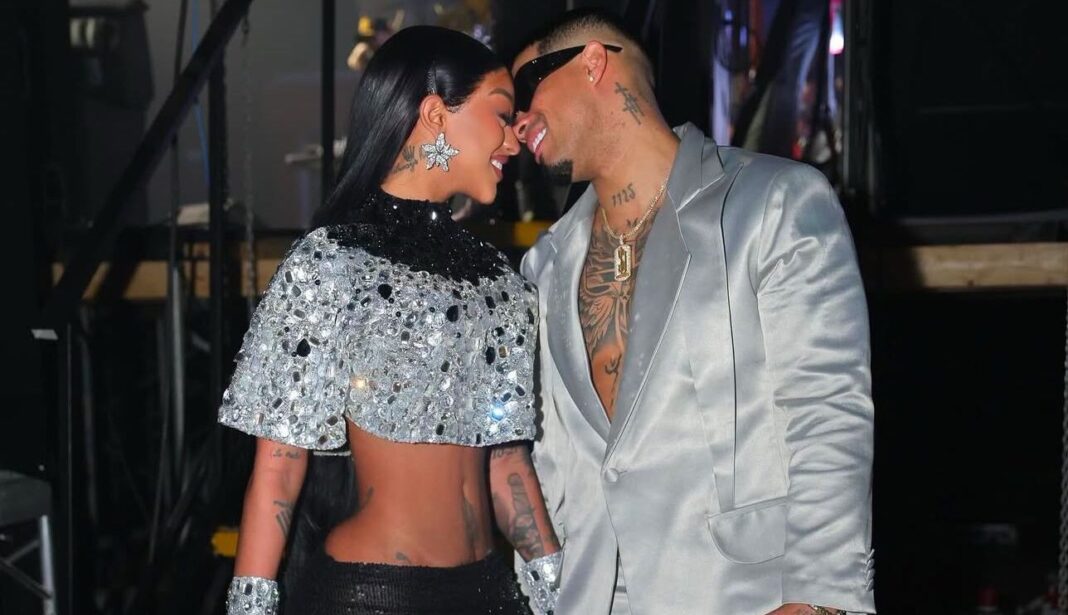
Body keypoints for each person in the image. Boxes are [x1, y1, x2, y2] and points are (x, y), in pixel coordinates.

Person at [511, 9, 875, 615]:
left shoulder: (773, 202)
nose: (520, 120)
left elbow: (828, 410)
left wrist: (819, 598)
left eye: (528, 88)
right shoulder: (547, 263)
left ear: (594, 61)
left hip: (745, 596)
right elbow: (553, 464)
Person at [218, 26, 562, 615]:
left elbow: (507, 460)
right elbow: (278, 468)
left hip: (489, 591)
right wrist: (251, 606)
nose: (513, 140)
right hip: (372, 596)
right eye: (501, 115)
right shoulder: (332, 264)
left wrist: (553, 582)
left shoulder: (498, 281)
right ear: (435, 114)